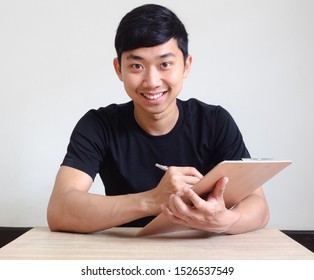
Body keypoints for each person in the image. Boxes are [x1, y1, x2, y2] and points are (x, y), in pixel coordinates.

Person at [47, 4, 269, 234]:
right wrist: (153, 199)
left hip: (202, 251)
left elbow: (259, 207)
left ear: (186, 65)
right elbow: (60, 210)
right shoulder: (98, 125)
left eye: (165, 64)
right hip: (123, 253)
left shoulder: (215, 122)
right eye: (137, 66)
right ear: (118, 69)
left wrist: (227, 221)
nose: (152, 81)